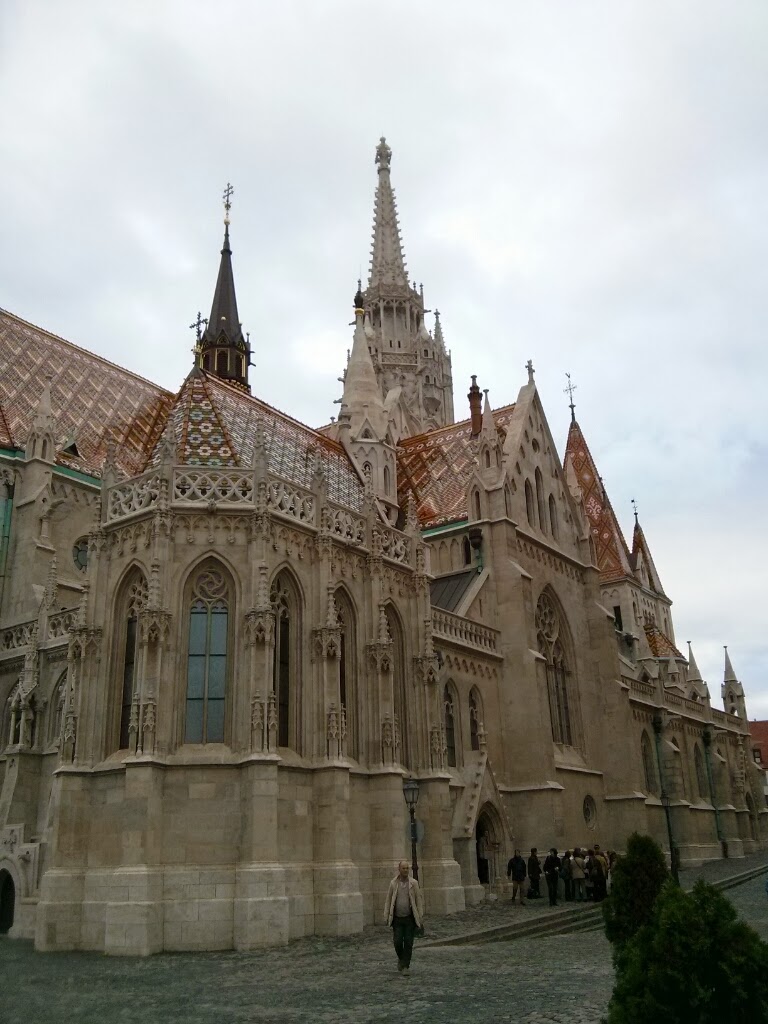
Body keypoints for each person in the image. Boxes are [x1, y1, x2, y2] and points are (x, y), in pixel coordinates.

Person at [384, 860, 425, 974]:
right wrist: (386, 915)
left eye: (407, 868)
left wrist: (420, 916)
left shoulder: (413, 883)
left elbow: (418, 901)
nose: (406, 870)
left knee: (408, 942)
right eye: (404, 868)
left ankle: (405, 966)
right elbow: (388, 900)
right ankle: (401, 959)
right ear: (399, 869)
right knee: (397, 941)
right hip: (397, 918)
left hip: (409, 918)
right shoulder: (393, 883)